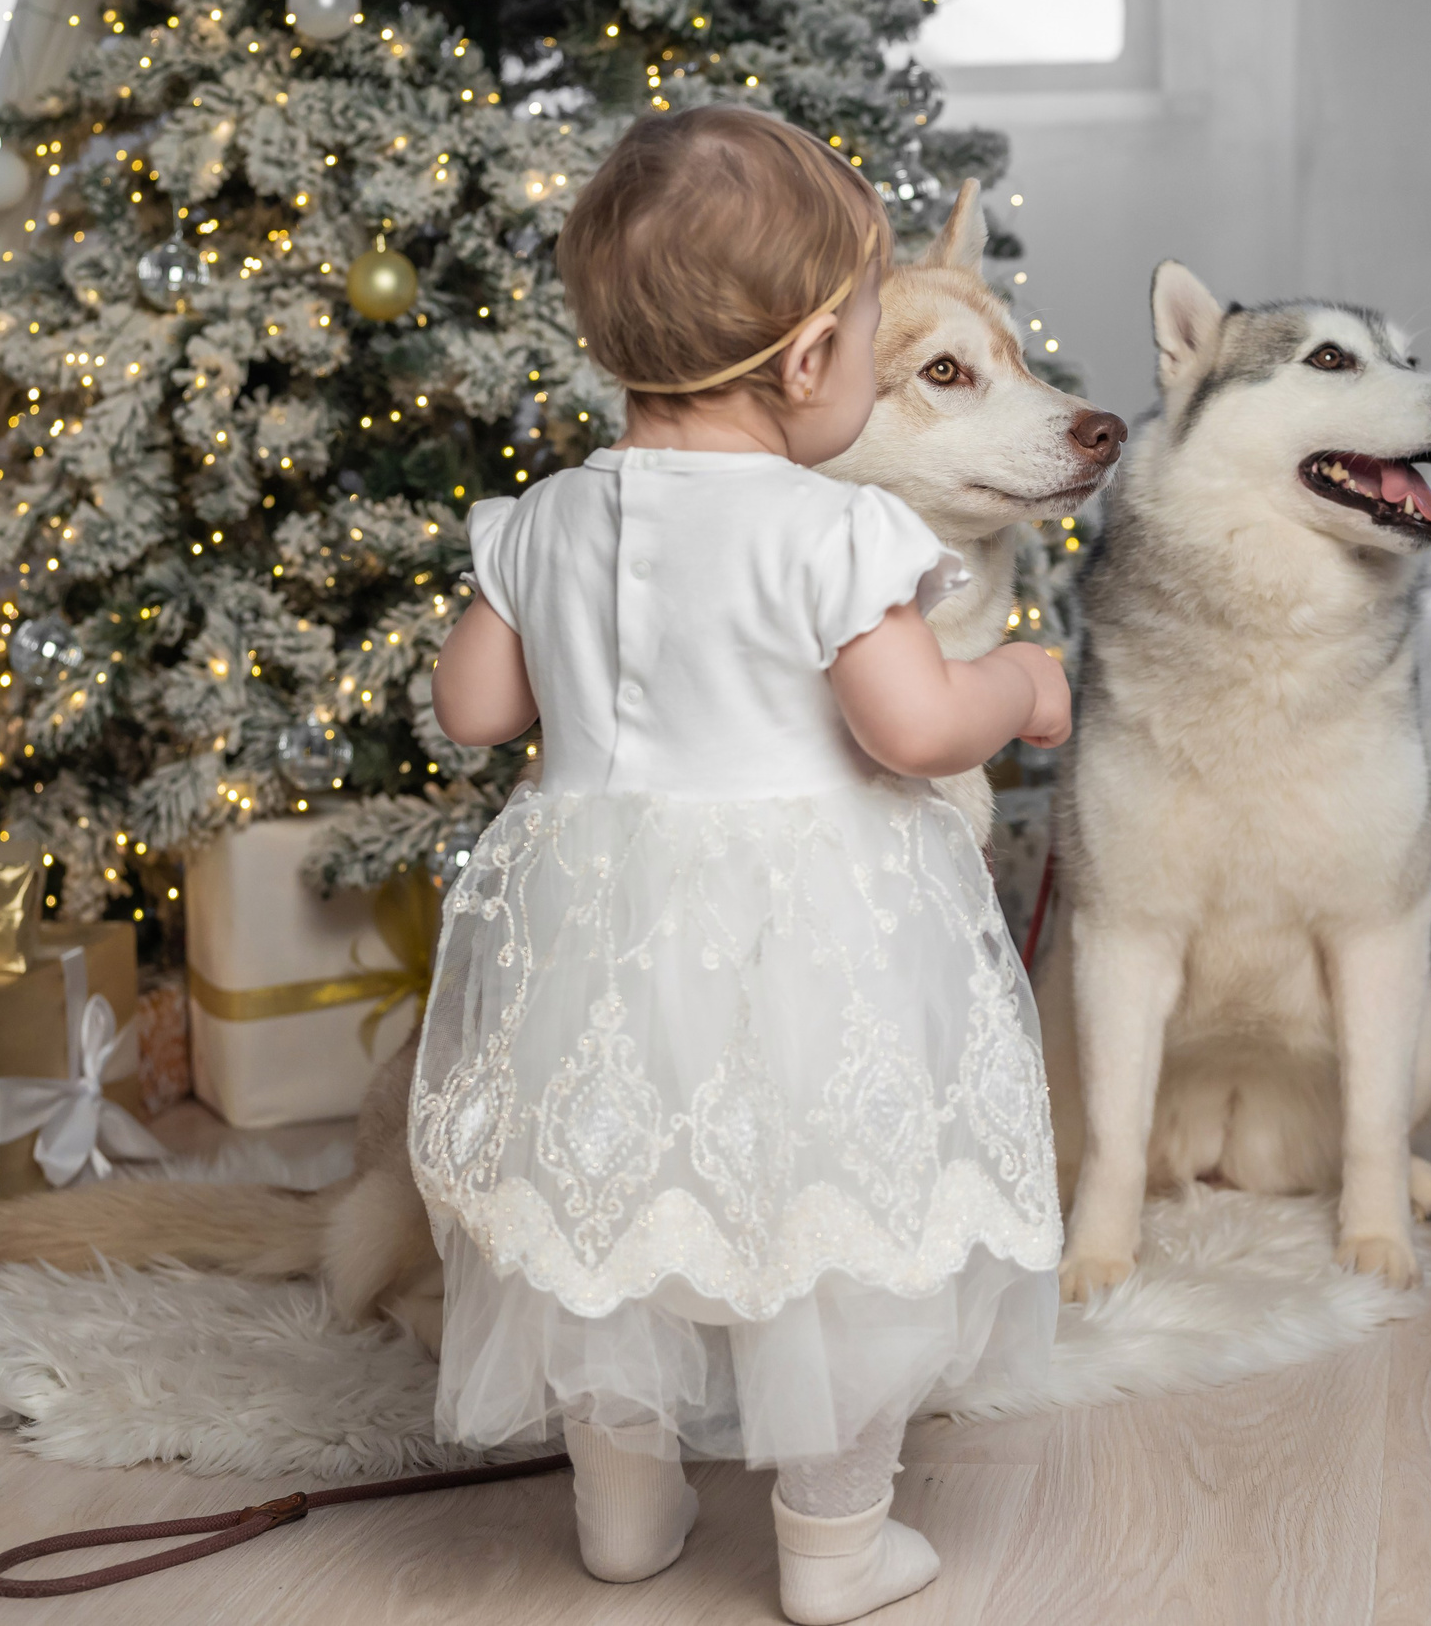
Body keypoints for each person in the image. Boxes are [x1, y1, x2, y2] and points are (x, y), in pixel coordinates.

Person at [414, 104, 1068, 1625]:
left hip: (598, 938)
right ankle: (837, 1540)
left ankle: (622, 1510)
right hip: (810, 938)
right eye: (859, 331)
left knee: (607, 1214)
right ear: (804, 364)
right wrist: (1022, 690)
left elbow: (473, 709)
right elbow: (910, 726)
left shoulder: (548, 521)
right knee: (837, 1223)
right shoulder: (829, 532)